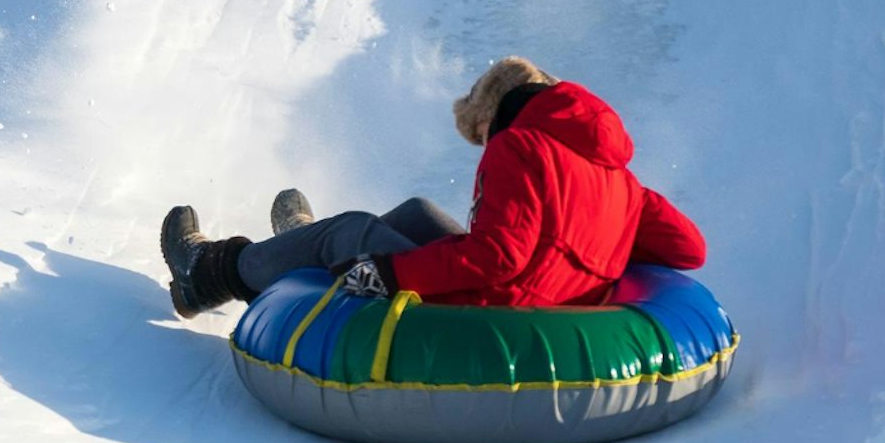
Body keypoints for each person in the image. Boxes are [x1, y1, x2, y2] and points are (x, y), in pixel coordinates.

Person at [160, 57, 706, 317]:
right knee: (418, 211)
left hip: (498, 310)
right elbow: (689, 249)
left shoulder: (518, 147)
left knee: (352, 231)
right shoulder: (622, 180)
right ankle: (302, 250)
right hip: (553, 300)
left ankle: (209, 274)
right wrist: (598, 241)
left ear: (496, 114)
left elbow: (499, 256)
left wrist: (392, 272)